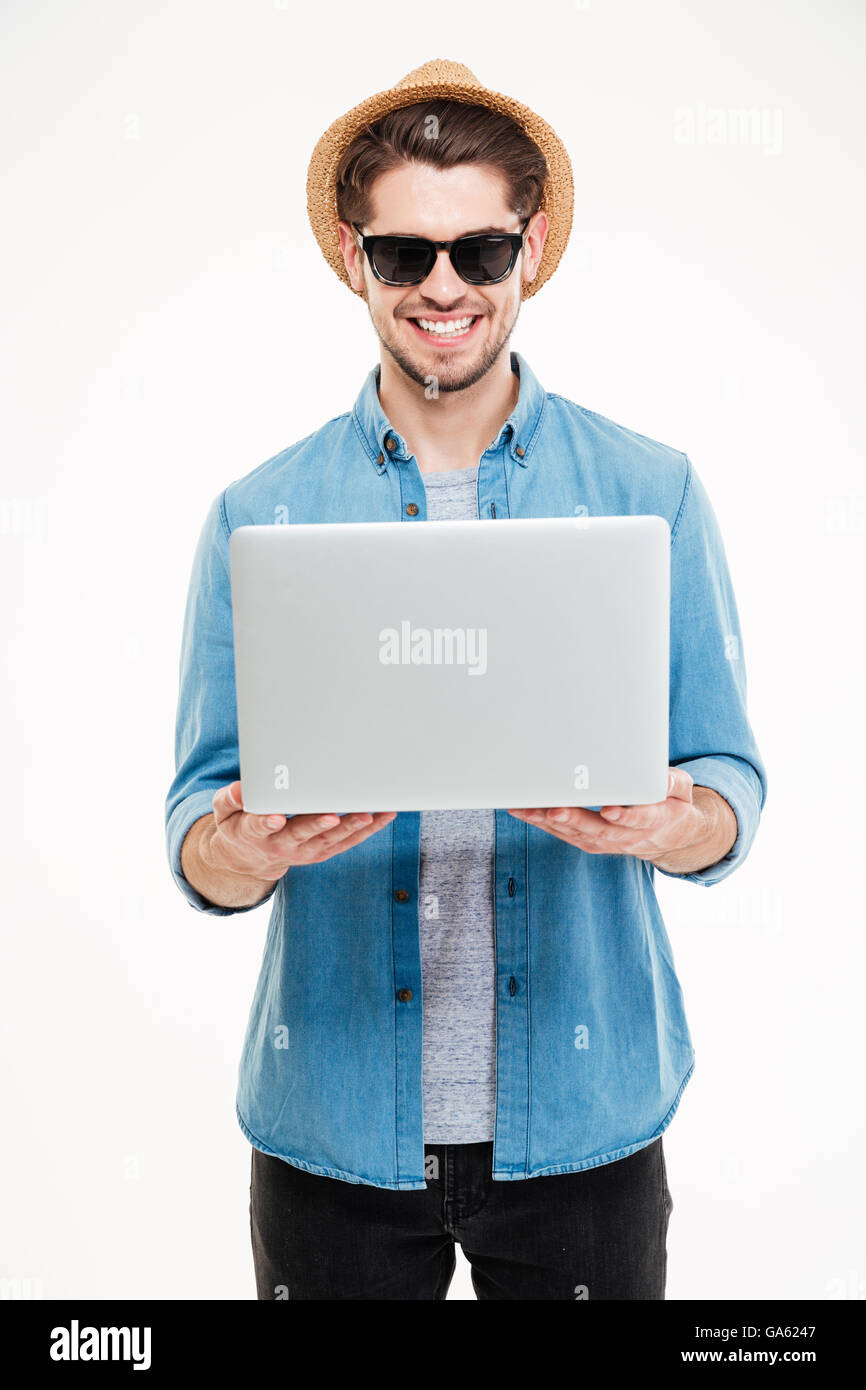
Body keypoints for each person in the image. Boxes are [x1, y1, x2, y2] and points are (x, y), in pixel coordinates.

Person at [165, 59, 768, 1301]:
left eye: (479, 252)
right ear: (353, 256)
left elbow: (727, 783)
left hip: (583, 1126)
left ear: (530, 249)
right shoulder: (258, 513)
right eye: (403, 254)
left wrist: (671, 820)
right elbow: (195, 825)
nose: (442, 287)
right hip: (330, 1131)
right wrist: (250, 846)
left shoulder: (647, 491)